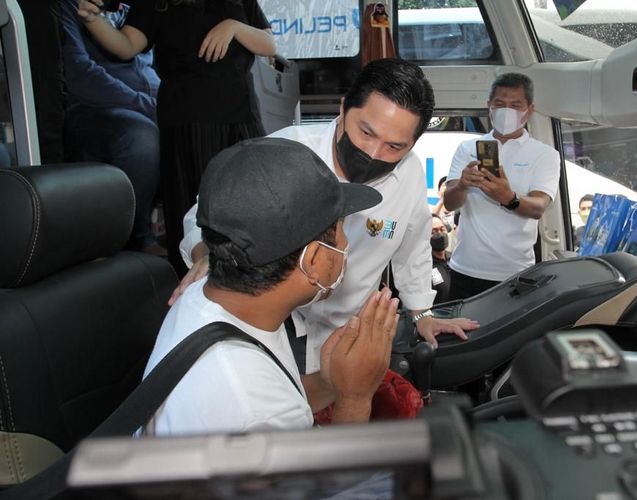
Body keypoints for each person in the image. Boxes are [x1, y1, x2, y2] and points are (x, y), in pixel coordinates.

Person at [176, 58, 479, 374]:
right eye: (365, 132)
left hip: (345, 333)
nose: (374, 154)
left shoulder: (410, 173)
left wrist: (422, 315)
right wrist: (205, 254)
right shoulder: (285, 151)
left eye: (394, 146)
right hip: (270, 327)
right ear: (344, 107)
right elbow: (204, 212)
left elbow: (413, 250)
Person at [139, 137, 392, 437]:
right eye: (340, 229)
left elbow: (283, 396)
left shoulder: (206, 297)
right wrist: (355, 399)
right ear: (312, 260)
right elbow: (335, 485)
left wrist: (332, 381)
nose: (346, 243)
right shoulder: (253, 411)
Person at [76, 0, 276, 272]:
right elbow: (126, 45)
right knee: (195, 217)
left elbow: (268, 44)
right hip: (186, 124)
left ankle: (256, 281)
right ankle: (195, 291)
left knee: (253, 205)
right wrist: (92, 19)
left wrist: (235, 27)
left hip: (242, 119)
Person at [443, 73, 560, 300]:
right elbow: (449, 202)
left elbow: (538, 207)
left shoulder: (545, 155)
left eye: (515, 105)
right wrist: (463, 186)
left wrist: (509, 197)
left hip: (515, 272)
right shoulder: (467, 148)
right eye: (500, 104)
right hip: (465, 267)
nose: (507, 111)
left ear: (529, 109)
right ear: (489, 106)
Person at [62, 0, 163, 254]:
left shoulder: (133, 11)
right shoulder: (70, 8)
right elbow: (81, 75)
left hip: (149, 104)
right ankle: (134, 238)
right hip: (96, 109)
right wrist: (148, 105)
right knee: (141, 137)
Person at [430, 215, 452, 304]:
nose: (439, 234)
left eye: (442, 229)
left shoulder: (454, 259)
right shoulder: (425, 266)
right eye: (433, 231)